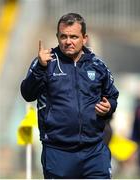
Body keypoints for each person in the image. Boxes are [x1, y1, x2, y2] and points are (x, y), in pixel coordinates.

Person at [20, 13, 119, 179]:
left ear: (84, 38)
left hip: (94, 152)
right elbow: (27, 94)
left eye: (73, 36)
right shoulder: (46, 62)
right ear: (57, 37)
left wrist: (109, 106)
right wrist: (40, 69)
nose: (68, 41)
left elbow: (112, 96)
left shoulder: (98, 65)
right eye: (63, 36)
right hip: (58, 152)